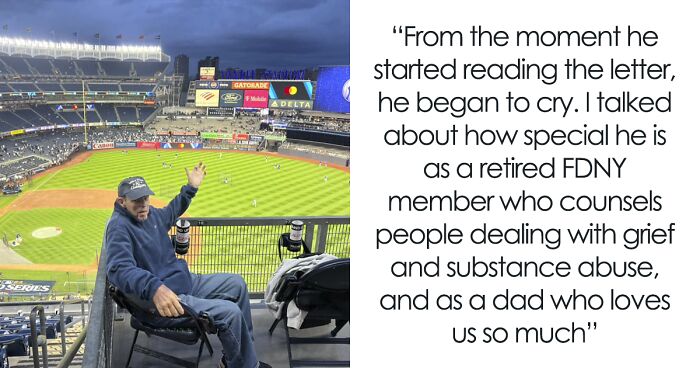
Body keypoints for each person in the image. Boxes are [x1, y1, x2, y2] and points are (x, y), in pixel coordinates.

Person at [105, 164, 270, 368]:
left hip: (184, 281)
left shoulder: (150, 214)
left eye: (145, 198)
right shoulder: (118, 227)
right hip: (167, 300)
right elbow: (118, 269)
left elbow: (172, 211)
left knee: (237, 284)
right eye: (137, 201)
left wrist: (191, 188)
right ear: (122, 202)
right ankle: (245, 365)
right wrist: (154, 287)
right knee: (230, 312)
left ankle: (241, 356)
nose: (144, 204)